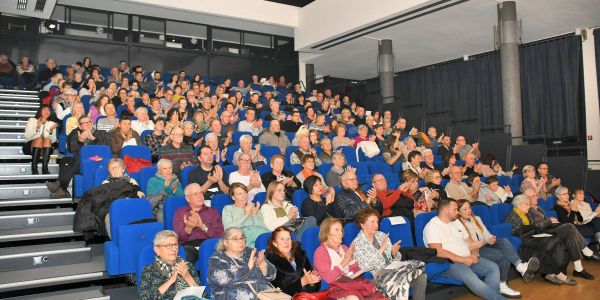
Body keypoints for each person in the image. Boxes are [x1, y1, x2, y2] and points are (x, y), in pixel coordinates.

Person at [423, 198, 505, 300]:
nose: (457, 212)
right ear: (445, 210)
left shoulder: (456, 222)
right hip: (450, 263)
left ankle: (493, 297)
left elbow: (471, 242)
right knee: (473, 279)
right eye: (455, 209)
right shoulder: (432, 227)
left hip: (468, 258)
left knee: (492, 268)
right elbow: (439, 252)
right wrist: (463, 260)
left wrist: (474, 254)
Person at [456, 200, 539, 297]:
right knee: (504, 255)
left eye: (469, 208)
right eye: (464, 209)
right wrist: (484, 241)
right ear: (458, 211)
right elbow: (467, 243)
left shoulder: (476, 218)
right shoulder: (458, 224)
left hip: (484, 244)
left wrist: (490, 238)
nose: (468, 211)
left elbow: (485, 233)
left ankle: (520, 266)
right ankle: (503, 284)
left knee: (503, 240)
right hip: (475, 250)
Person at [520, 188, 598, 280]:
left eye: (535, 195)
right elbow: (534, 227)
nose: (536, 197)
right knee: (570, 227)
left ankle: (579, 269)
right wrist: (549, 221)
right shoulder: (527, 210)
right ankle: (585, 252)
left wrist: (552, 222)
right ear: (525, 198)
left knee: (571, 236)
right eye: (532, 196)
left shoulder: (539, 207)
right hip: (543, 232)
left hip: (551, 228)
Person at [352, 208, 427, 300]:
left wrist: (393, 253)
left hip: (395, 268)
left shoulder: (381, 235)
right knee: (397, 284)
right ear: (362, 224)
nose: (376, 225)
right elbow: (365, 267)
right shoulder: (357, 244)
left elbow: (397, 259)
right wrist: (381, 249)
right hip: (380, 274)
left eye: (377, 222)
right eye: (372, 222)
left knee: (420, 277)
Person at [505, 194, 575, 285]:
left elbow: (533, 227)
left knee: (556, 240)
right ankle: (558, 274)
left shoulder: (526, 214)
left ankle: (552, 273)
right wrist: (532, 229)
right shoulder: (512, 216)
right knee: (548, 245)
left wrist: (535, 230)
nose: (529, 206)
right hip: (524, 239)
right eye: (526, 204)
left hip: (533, 236)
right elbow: (517, 232)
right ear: (519, 205)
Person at [313, 218, 383, 299]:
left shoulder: (344, 248)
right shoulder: (321, 252)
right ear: (327, 233)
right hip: (334, 288)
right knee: (353, 298)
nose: (340, 233)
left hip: (351, 283)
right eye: (336, 230)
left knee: (379, 291)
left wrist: (352, 262)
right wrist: (344, 262)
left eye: (341, 230)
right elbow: (327, 279)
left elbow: (355, 271)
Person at [208, 227, 277, 299]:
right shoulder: (217, 259)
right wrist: (248, 267)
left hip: (264, 294)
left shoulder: (252, 252)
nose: (240, 241)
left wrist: (263, 265)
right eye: (235, 239)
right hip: (234, 295)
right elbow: (222, 280)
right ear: (225, 242)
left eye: (242, 238)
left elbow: (272, 276)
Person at [46, 116, 99, 198]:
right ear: (79, 126)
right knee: (64, 160)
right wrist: (81, 141)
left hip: (97, 159)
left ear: (92, 123)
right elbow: (73, 150)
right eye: (84, 123)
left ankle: (60, 183)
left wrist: (93, 139)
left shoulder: (100, 133)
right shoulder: (76, 133)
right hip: (80, 160)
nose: (88, 124)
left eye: (89, 122)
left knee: (80, 158)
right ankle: (63, 189)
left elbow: (105, 147)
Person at [139, 230, 201, 300]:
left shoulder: (187, 266)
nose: (174, 249)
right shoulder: (149, 270)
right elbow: (145, 298)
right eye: (169, 245)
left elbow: (202, 295)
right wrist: (171, 280)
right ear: (157, 250)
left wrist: (187, 276)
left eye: (176, 245)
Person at [173, 183, 224, 263]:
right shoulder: (180, 213)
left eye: (201, 193)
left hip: (209, 244)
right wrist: (188, 228)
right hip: (190, 246)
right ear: (187, 198)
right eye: (195, 194)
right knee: (185, 253)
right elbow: (177, 238)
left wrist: (203, 227)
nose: (200, 196)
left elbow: (219, 235)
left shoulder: (213, 212)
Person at [266, 226, 322, 296]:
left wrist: (312, 282)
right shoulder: (272, 263)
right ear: (275, 243)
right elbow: (279, 291)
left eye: (288, 238)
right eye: (282, 239)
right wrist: (302, 282)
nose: (286, 242)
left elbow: (315, 284)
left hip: (308, 296)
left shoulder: (300, 255)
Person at [102, 158, 145, 237]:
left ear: (123, 169)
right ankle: (115, 239)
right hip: (113, 208)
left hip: (130, 206)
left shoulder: (131, 180)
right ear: (109, 171)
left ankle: (135, 236)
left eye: (117, 167)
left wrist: (138, 194)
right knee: (108, 217)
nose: (114, 170)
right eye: (111, 168)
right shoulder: (106, 182)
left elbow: (139, 193)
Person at [222, 183, 270, 247]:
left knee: (264, 240)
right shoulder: (228, 208)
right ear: (233, 197)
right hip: (240, 237)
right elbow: (228, 229)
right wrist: (245, 215)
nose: (244, 196)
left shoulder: (253, 208)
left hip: (256, 239)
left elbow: (263, 227)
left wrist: (254, 215)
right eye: (239, 194)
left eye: (245, 192)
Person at [24, 105, 56, 175]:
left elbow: (53, 140)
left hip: (45, 149)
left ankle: (45, 167)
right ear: (40, 111)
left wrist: (51, 131)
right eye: (44, 110)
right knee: (39, 139)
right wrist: (38, 127)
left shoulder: (52, 123)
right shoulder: (32, 120)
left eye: (48, 110)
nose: (47, 112)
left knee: (47, 140)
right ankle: (34, 167)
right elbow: (27, 136)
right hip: (31, 147)